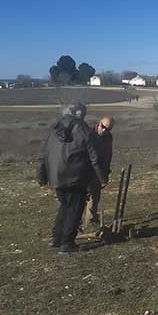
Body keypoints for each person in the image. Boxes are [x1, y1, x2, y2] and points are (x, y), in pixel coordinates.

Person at [37, 103, 107, 254]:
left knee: (65, 206)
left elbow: (44, 154)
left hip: (56, 176)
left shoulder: (55, 129)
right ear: (81, 114)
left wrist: (41, 176)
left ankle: (56, 239)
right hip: (75, 176)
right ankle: (67, 244)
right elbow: (94, 157)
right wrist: (102, 178)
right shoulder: (83, 130)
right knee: (74, 210)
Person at [82, 116, 115, 231]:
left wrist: (105, 172)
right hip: (87, 171)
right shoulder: (89, 135)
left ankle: (90, 221)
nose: (104, 130)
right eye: (103, 127)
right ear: (98, 123)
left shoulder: (108, 138)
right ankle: (75, 224)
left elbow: (108, 155)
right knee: (83, 197)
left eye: (108, 129)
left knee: (94, 197)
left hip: (100, 172)